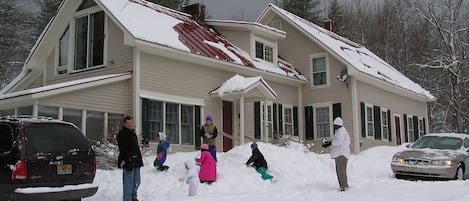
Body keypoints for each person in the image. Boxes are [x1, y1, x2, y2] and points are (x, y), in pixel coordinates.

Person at [117, 116, 143, 201]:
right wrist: (128, 160)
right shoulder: (122, 134)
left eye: (131, 122)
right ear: (124, 123)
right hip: (127, 161)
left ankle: (133, 196)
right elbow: (123, 149)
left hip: (136, 161)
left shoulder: (133, 133)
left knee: (137, 181)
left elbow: (136, 147)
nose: (130, 124)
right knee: (128, 182)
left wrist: (139, 159)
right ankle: (127, 198)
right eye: (128, 123)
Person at [322, 117, 351, 191]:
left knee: (341, 171)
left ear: (338, 124)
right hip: (340, 153)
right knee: (340, 170)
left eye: (335, 125)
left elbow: (339, 142)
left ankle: (344, 186)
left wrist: (330, 143)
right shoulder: (339, 131)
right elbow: (336, 142)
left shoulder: (341, 131)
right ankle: (343, 185)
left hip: (341, 154)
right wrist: (329, 144)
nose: (334, 126)